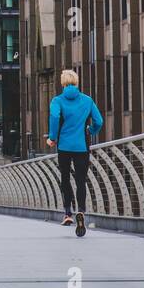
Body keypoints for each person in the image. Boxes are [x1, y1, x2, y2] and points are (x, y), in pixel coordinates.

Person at [45, 69, 103, 237]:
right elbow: (99, 121)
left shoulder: (57, 101)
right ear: (76, 83)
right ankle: (82, 211)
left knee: (65, 178)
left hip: (64, 146)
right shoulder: (87, 100)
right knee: (80, 180)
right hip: (81, 146)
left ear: (62, 83)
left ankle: (68, 213)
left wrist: (52, 138)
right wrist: (91, 130)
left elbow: (55, 118)